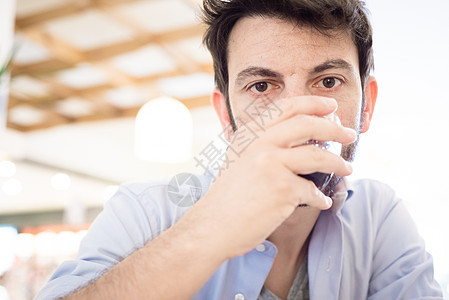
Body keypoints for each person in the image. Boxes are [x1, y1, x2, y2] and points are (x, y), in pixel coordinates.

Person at [35, 0, 443, 299]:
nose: (296, 115)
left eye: (329, 82)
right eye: (262, 87)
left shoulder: (379, 219)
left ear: (366, 106)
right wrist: (210, 228)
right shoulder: (143, 211)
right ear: (226, 117)